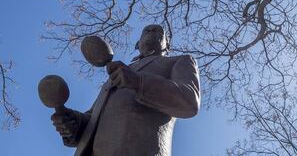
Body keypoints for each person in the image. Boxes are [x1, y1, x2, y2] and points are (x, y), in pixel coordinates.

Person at [51, 24, 201, 156]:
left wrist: (138, 82)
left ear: (167, 45)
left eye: (158, 31)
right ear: (137, 44)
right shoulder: (115, 76)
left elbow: (189, 102)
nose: (151, 30)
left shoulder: (179, 61)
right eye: (146, 30)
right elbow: (93, 119)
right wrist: (73, 123)